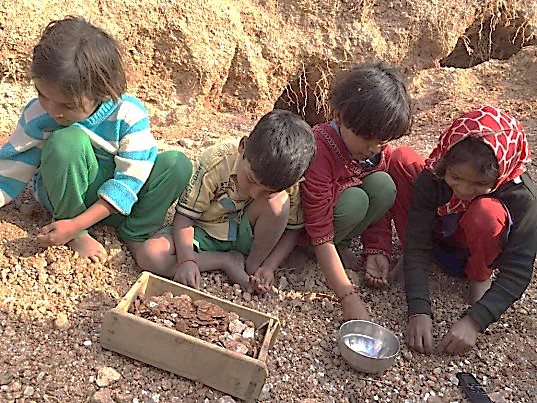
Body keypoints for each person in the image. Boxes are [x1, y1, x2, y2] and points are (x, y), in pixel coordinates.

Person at [0, 16, 191, 263]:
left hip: (120, 203)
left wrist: (83, 220)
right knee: (66, 141)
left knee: (177, 164)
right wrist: (74, 225)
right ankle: (75, 232)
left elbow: (129, 180)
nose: (52, 110)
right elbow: (11, 168)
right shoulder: (38, 114)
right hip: (66, 198)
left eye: (67, 105)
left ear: (102, 91)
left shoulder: (129, 115)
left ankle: (135, 232)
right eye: (42, 95)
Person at [399, 106, 537, 354]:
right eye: (455, 177)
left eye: (479, 184)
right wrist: (418, 309)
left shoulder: (522, 197)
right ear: (446, 163)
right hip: (439, 240)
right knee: (402, 159)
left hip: (476, 248)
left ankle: (478, 276)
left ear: (500, 174)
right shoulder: (433, 178)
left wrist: (475, 321)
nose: (463, 189)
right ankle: (416, 268)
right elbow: (417, 243)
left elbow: (518, 271)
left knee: (486, 214)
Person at [130, 109, 316, 293]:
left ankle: (251, 266)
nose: (254, 193)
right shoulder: (216, 162)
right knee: (150, 256)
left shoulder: (287, 179)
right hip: (203, 231)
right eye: (251, 180)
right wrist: (187, 260)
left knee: (277, 204)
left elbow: (292, 230)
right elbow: (185, 218)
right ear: (243, 146)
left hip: (249, 234)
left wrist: (268, 266)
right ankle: (224, 260)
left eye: (268, 191)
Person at [299, 61, 413, 321]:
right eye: (367, 137)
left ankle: (341, 247)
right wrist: (348, 297)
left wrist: (377, 250)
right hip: (309, 232)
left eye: (382, 140)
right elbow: (317, 227)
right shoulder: (319, 148)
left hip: (337, 227)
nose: (374, 148)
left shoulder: (374, 153)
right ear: (339, 116)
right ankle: (308, 255)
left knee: (384, 185)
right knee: (355, 200)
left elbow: (381, 213)